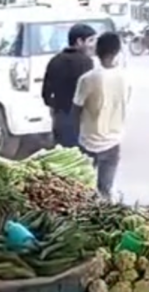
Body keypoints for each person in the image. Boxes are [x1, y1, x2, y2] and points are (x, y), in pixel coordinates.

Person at [73, 31, 130, 200]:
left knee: (83, 190)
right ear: (117, 52)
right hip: (113, 141)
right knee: (105, 190)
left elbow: (76, 108)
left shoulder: (87, 79)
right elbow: (125, 102)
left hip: (88, 142)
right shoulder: (125, 77)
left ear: (97, 51)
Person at [42, 23, 96, 148]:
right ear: (79, 42)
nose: (94, 45)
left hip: (60, 119)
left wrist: (55, 107)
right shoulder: (86, 63)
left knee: (64, 159)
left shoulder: (55, 60)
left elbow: (45, 94)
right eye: (91, 40)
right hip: (81, 121)